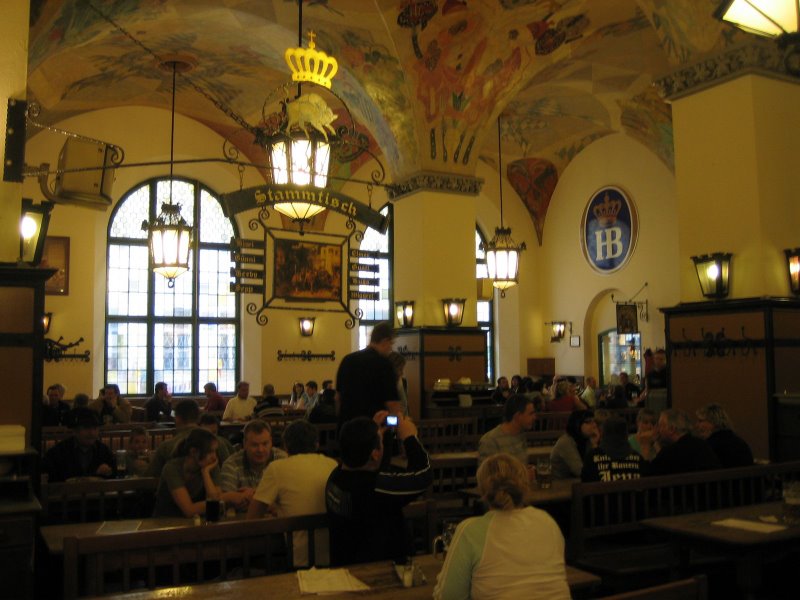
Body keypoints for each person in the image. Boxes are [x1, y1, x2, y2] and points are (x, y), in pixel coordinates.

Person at [434, 453, 570, 600]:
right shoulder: (547, 522)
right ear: (525, 484)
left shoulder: (470, 530)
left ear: (482, 490)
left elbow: (448, 596)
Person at [326, 412, 432, 566]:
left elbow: (372, 466)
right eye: (380, 442)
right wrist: (410, 438)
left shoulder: (336, 476)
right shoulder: (375, 487)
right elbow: (423, 475)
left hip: (346, 563)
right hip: (380, 570)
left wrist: (370, 431)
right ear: (375, 454)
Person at [247, 420, 337, 567]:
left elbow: (252, 518)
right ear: (316, 444)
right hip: (334, 557)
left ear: (285, 446)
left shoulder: (277, 468)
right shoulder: (332, 464)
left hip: (298, 561)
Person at [336, 321, 400, 424]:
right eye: (391, 344)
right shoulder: (384, 365)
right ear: (385, 341)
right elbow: (392, 404)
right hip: (373, 428)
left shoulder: (347, 360)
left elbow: (338, 398)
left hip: (347, 426)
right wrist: (394, 425)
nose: (391, 348)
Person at [148, 399, 232, 477]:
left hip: (175, 487)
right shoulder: (219, 442)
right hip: (216, 486)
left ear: (177, 419)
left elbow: (151, 476)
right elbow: (229, 471)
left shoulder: (166, 446)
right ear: (198, 418)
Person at [152, 428, 222, 517]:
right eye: (210, 452)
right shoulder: (172, 468)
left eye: (215, 451)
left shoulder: (210, 466)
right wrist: (217, 503)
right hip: (166, 521)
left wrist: (205, 473)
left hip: (196, 521)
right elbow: (189, 510)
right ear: (193, 452)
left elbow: (216, 504)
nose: (214, 457)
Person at [220, 419, 287, 513]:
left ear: (271, 442)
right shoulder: (231, 464)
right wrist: (268, 499)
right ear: (245, 444)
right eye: (254, 445)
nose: (260, 450)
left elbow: (288, 496)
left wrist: (253, 495)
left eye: (265, 444)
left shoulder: (282, 459)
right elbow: (224, 500)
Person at [642, 409, 720, 476]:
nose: (657, 430)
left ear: (672, 429)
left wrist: (646, 445)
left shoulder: (671, 452)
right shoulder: (702, 444)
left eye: (660, 425)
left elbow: (646, 474)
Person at [43, 408, 114, 482]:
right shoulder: (58, 452)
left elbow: (115, 475)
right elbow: (50, 477)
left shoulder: (103, 450)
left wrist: (109, 472)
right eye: (86, 428)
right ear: (75, 431)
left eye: (95, 428)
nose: (92, 433)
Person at [477, 395, 535, 471]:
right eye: (531, 414)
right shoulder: (490, 441)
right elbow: (486, 476)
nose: (534, 417)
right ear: (517, 416)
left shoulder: (520, 435)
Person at [581, 417, 643, 482]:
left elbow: (585, 481)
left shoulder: (592, 458)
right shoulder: (638, 458)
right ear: (626, 434)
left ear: (604, 434)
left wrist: (594, 445)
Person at [695, 403, 754, 468]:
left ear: (714, 422)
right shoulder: (739, 442)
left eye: (700, 421)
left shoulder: (711, 446)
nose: (697, 425)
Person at [550, 410, 599, 479]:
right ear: (577, 424)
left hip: (577, 482)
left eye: (594, 421)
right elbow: (580, 471)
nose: (594, 425)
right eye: (588, 422)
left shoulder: (586, 439)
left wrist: (594, 445)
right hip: (561, 483)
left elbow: (597, 466)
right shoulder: (566, 442)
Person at [387, 351, 409, 415]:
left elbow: (405, 406)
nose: (402, 373)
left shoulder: (402, 382)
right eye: (400, 369)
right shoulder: (384, 386)